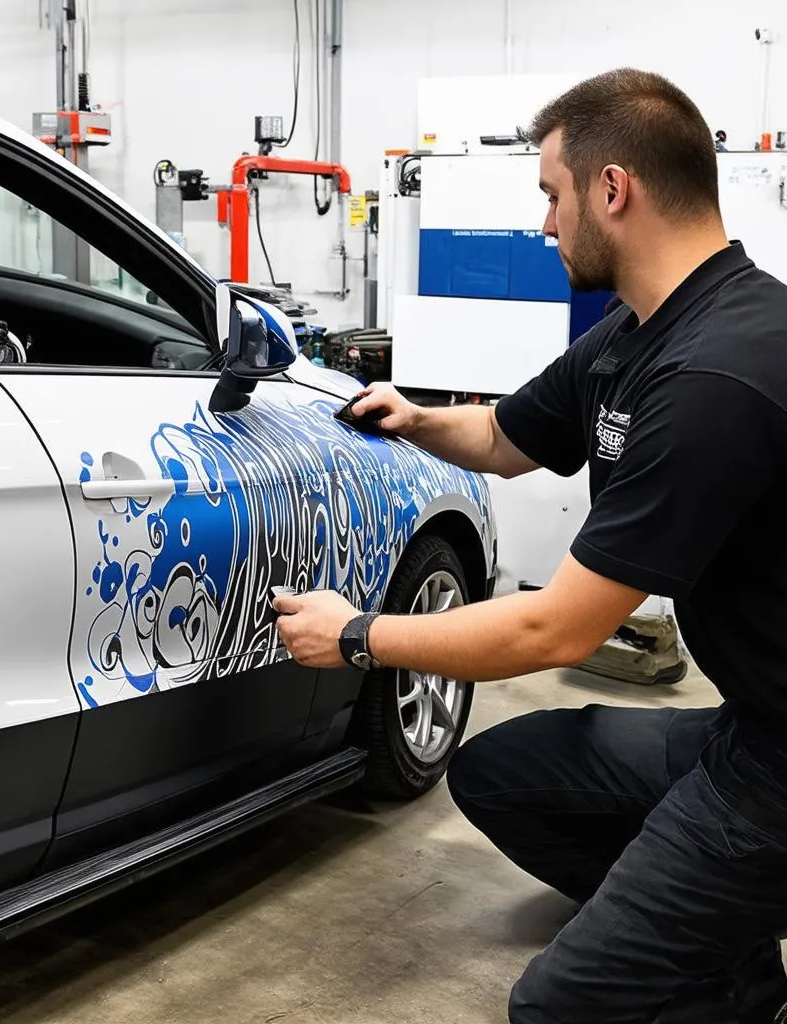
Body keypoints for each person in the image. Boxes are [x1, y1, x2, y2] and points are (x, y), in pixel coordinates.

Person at [274, 67, 787, 1023]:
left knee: (556, 1007)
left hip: (778, 769)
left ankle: (714, 945)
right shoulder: (638, 332)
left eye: (551, 196)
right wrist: (414, 417)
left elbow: (553, 633)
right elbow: (508, 440)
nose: (544, 225)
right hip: (750, 722)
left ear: (612, 189)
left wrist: (360, 637)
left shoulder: (718, 373)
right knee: (500, 775)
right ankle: (731, 958)